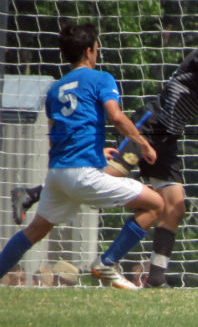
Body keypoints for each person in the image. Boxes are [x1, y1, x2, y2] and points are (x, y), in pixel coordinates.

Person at [10, 15, 198, 288]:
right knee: (107, 176)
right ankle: (35, 193)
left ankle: (156, 279)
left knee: (175, 205)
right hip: (151, 125)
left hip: (169, 137)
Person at [0, 22, 165, 290]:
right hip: (83, 174)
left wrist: (96, 149)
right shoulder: (101, 79)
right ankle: (106, 262)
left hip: (57, 174)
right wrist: (143, 144)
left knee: (35, 231)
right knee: (156, 204)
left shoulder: (55, 90)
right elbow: (115, 116)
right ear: (90, 50)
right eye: (97, 48)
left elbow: (59, 135)